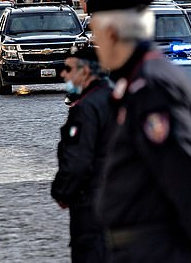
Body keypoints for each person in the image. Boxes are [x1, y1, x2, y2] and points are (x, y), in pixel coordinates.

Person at [87, 0, 191, 262]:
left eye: (97, 36)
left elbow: (190, 173)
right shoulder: (145, 78)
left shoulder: (150, 90)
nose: (96, 47)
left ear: (112, 34)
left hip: (157, 248)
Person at [51, 46, 112, 263]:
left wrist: (62, 191)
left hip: (91, 201)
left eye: (68, 68)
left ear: (85, 71)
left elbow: (79, 159)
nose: (63, 74)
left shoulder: (85, 108)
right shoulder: (114, 97)